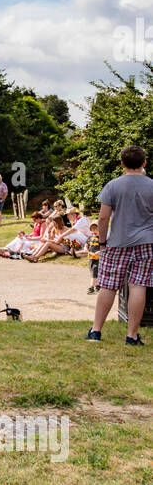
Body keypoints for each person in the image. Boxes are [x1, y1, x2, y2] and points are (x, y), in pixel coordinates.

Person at [87, 145, 153, 345]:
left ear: (122, 164)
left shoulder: (113, 186)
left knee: (108, 286)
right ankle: (132, 335)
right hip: (146, 242)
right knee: (139, 286)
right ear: (144, 163)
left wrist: (103, 242)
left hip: (116, 243)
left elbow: (103, 218)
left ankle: (96, 331)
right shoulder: (151, 185)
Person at [86, 222, 100, 294]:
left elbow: (106, 247)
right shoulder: (90, 238)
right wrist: (86, 248)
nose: (94, 231)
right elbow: (86, 244)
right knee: (93, 272)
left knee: (94, 272)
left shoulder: (102, 239)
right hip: (91, 258)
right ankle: (98, 285)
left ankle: (91, 287)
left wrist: (100, 251)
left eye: (97, 229)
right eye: (93, 229)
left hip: (99, 259)